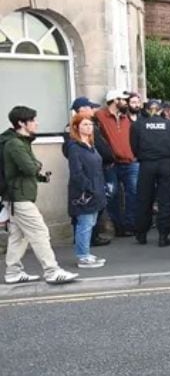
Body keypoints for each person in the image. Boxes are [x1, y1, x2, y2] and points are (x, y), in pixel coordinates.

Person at [2, 106, 79, 285]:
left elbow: (29, 168)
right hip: (18, 197)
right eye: (33, 120)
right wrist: (37, 165)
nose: (37, 123)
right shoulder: (15, 144)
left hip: (18, 196)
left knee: (19, 235)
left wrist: (40, 175)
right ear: (21, 123)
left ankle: (13, 272)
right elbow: (29, 167)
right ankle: (52, 271)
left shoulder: (21, 141)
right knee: (39, 231)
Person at [129, 101, 170, 247]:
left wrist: (142, 156)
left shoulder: (137, 125)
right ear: (161, 111)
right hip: (166, 163)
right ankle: (163, 236)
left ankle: (141, 234)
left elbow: (133, 146)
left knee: (143, 199)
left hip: (146, 164)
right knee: (166, 200)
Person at [66, 111, 109, 269]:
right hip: (84, 192)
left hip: (96, 189)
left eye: (90, 124)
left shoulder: (90, 145)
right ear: (76, 127)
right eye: (85, 124)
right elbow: (76, 173)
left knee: (90, 223)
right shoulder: (74, 147)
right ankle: (82, 256)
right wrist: (89, 188)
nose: (89, 127)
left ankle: (85, 252)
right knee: (84, 224)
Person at [94, 90, 138, 237]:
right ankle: (119, 226)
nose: (126, 103)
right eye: (123, 100)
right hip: (111, 163)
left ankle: (130, 224)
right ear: (115, 100)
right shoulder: (100, 116)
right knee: (113, 195)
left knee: (133, 192)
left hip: (130, 161)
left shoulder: (127, 119)